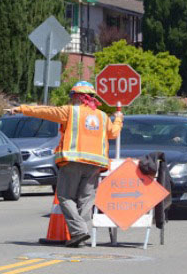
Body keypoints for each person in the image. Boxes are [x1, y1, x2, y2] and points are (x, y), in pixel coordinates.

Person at [10, 81, 123, 247]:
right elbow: (113, 133)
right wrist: (119, 119)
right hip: (95, 164)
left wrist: (21, 108)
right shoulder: (102, 116)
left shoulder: (70, 111)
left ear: (76, 97)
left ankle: (79, 232)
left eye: (72, 97)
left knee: (65, 197)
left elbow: (46, 112)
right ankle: (82, 235)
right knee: (85, 200)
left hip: (73, 161)